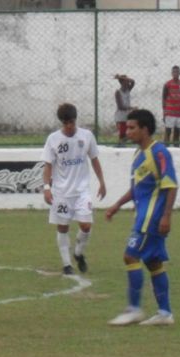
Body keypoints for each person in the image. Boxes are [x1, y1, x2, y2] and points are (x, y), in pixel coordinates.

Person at [107, 109, 178, 326]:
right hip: (144, 216)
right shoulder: (138, 154)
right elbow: (136, 189)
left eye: (132, 127)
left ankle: (134, 308)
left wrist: (166, 217)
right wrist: (117, 204)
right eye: (126, 127)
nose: (127, 131)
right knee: (153, 262)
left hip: (152, 218)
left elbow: (171, 185)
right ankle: (165, 313)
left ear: (145, 129)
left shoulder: (159, 152)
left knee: (130, 256)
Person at [42, 103, 107, 275]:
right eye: (66, 123)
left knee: (86, 225)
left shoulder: (86, 136)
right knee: (63, 227)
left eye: (71, 122)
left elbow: (94, 159)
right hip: (61, 193)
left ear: (75, 120)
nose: (69, 126)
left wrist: (102, 181)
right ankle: (67, 264)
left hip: (81, 191)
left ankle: (78, 253)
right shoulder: (53, 139)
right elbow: (47, 165)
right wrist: (46, 187)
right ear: (61, 123)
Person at [162, 65, 180, 147]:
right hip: (170, 112)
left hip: (179, 113)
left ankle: (176, 149)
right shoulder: (167, 84)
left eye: (177, 72)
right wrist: (164, 112)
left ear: (179, 73)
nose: (175, 73)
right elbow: (164, 98)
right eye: (174, 72)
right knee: (168, 132)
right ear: (171, 73)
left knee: (177, 132)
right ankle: (166, 148)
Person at [114, 74, 136, 147]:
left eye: (128, 81)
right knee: (122, 133)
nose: (128, 83)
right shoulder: (118, 92)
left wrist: (121, 77)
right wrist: (131, 108)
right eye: (126, 81)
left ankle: (120, 145)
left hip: (127, 115)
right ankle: (120, 146)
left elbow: (133, 82)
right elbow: (120, 106)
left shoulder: (127, 90)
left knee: (127, 133)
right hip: (120, 116)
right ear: (122, 82)